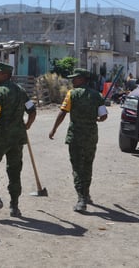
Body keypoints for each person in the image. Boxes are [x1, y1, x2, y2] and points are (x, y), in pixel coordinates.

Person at [0, 62, 36, 218]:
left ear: (5, 75)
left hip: (1, 136)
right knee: (14, 171)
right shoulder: (22, 91)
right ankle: (14, 207)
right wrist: (27, 126)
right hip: (18, 137)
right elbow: (32, 111)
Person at [49, 68, 108, 213]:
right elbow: (104, 116)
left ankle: (81, 200)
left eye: (75, 78)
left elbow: (63, 112)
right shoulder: (97, 95)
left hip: (76, 136)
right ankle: (86, 193)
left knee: (77, 167)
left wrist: (54, 129)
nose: (72, 81)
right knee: (87, 165)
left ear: (82, 79)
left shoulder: (72, 94)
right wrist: (96, 118)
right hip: (91, 136)